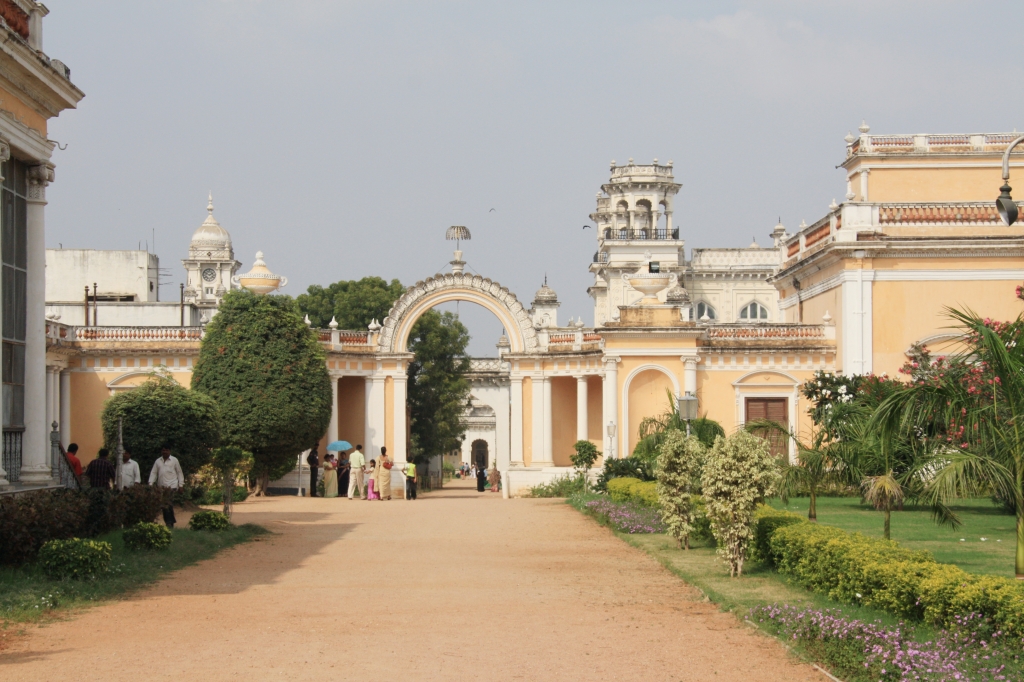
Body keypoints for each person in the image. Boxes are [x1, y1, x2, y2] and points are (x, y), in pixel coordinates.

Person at [149, 446, 185, 528]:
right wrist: (150, 484)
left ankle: (169, 522)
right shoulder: (158, 461)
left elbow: (179, 472)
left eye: (167, 450)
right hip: (161, 487)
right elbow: (153, 473)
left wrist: (181, 485)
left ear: (170, 451)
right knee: (164, 505)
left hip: (172, 485)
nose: (165, 452)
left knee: (167, 503)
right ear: (161, 451)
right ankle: (170, 522)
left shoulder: (174, 460)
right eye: (163, 450)